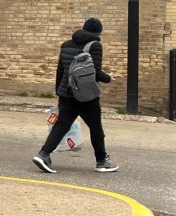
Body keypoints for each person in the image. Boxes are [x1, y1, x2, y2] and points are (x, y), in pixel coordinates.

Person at [33, 17, 118, 173]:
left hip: (66, 93)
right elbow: (95, 73)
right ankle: (102, 162)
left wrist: (59, 92)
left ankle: (43, 154)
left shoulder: (65, 45)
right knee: (96, 129)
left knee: (61, 126)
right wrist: (109, 78)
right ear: (98, 32)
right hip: (86, 96)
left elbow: (60, 71)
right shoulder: (95, 45)